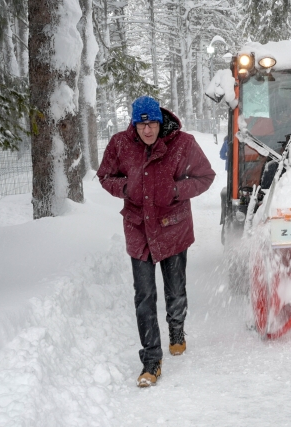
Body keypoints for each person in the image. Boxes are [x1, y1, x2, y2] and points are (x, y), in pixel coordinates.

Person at [97, 96, 215, 387]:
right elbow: (105, 176)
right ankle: (151, 359)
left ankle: (176, 329)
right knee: (145, 295)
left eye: (152, 123)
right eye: (141, 123)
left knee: (175, 290)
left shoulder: (182, 143)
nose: (147, 130)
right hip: (139, 228)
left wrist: (175, 190)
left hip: (172, 225)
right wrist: (125, 187)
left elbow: (205, 176)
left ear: (160, 122)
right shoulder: (120, 144)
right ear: (134, 123)